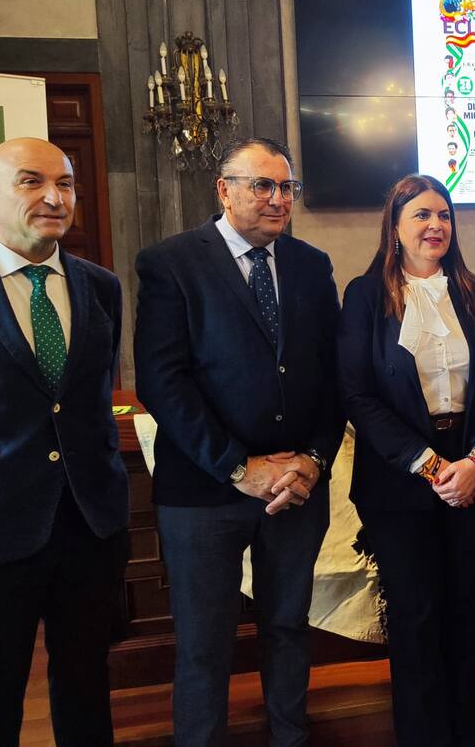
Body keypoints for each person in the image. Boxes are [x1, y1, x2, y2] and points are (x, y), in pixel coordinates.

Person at [0, 137, 128, 745]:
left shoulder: (101, 286)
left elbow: (85, 401)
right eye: (32, 181)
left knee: (87, 696)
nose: (54, 198)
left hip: (89, 528)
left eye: (65, 184)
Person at [134, 136, 344, 746]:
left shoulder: (311, 265)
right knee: (204, 643)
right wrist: (238, 467)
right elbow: (162, 381)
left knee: (288, 627)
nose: (278, 199)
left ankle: (290, 738)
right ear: (224, 190)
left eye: (287, 187)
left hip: (295, 490)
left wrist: (313, 460)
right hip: (204, 492)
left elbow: (335, 377)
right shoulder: (171, 262)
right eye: (263, 186)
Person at [337, 174, 475, 747]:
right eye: (421, 215)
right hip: (399, 481)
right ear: (395, 226)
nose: (436, 225)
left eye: (444, 215)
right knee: (414, 617)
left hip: (470, 472)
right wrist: (431, 466)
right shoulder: (365, 296)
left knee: (461, 611)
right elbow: (357, 394)